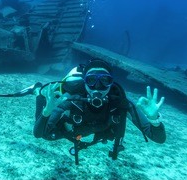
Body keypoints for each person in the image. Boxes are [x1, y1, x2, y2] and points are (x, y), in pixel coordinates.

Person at [33, 59, 166, 164]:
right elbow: (39, 133)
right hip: (75, 130)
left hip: (92, 130)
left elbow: (158, 138)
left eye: (104, 80)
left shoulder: (121, 102)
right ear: (84, 82)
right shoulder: (71, 98)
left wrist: (154, 119)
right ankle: (39, 93)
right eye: (91, 80)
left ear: (111, 83)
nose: (97, 87)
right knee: (48, 135)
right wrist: (47, 111)